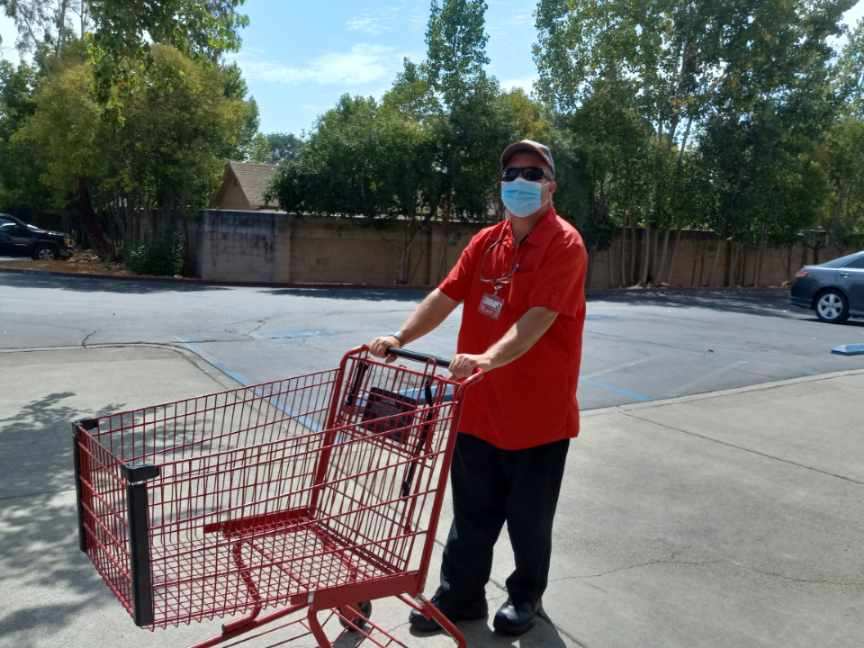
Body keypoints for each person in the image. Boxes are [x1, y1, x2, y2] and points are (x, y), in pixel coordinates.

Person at [368, 139, 588, 637]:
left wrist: (487, 358)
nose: (519, 182)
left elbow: (538, 318)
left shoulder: (565, 245)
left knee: (528, 521)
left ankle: (525, 597)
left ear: (551, 185)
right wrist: (399, 336)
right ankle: (460, 595)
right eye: (511, 173)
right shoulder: (486, 242)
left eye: (532, 173)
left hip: (538, 417)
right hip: (479, 409)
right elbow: (446, 295)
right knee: (471, 514)